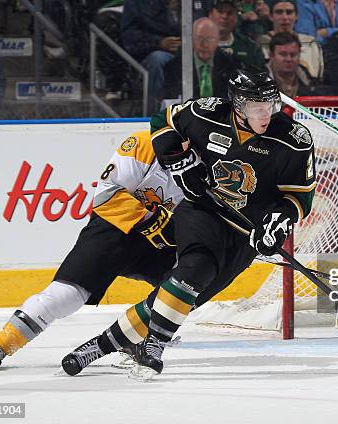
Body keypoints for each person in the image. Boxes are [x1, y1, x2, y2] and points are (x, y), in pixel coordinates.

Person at [61, 70, 317, 378]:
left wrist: (279, 220)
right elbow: (162, 121)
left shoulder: (293, 140)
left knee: (187, 295)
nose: (266, 114)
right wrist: (178, 161)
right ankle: (154, 345)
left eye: (270, 106)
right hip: (202, 211)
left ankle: (100, 345)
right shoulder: (207, 113)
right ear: (237, 105)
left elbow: (299, 197)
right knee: (197, 267)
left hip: (244, 234)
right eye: (256, 107)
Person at [0, 129, 184, 370]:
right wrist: (152, 220)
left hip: (160, 241)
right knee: (68, 295)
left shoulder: (206, 161)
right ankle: (1, 343)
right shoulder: (143, 143)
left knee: (185, 283)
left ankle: (134, 339)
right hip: (114, 230)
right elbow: (107, 194)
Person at [120, 0, 209, 110]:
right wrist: (158, 43)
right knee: (158, 59)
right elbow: (129, 37)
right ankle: (155, 113)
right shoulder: (139, 3)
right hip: (152, 56)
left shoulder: (198, 3)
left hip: (194, 53)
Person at [161, 18, 241, 101]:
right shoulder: (174, 66)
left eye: (210, 39)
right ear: (191, 39)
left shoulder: (232, 64)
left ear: (218, 40)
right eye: (199, 38)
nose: (204, 44)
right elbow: (170, 102)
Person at [257, 0, 324, 79]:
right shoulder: (260, 44)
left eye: (289, 12)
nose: (285, 17)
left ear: (296, 16)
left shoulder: (310, 43)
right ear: (271, 16)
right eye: (279, 12)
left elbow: (317, 75)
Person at [209, 0, 266, 71]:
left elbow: (261, 78)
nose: (225, 16)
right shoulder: (198, 45)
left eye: (230, 13)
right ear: (210, 15)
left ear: (236, 18)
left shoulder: (250, 47)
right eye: (220, 12)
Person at [266, 32, 322, 97]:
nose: (289, 59)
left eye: (293, 55)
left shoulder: (311, 83)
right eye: (283, 54)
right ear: (271, 55)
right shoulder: (258, 83)